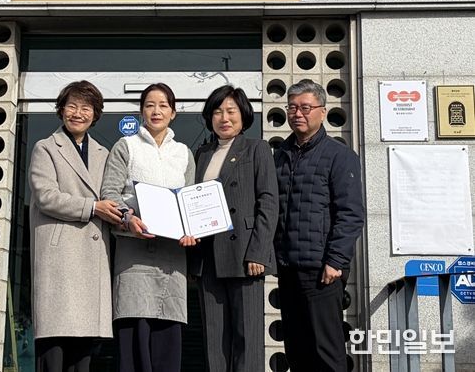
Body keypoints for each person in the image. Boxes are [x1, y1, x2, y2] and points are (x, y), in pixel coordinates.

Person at [100, 83, 196, 372]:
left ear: (173, 113)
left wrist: (190, 230)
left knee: (167, 345)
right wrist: (128, 217)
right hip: (133, 256)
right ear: (141, 111)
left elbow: (189, 202)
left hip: (172, 259)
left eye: (163, 105)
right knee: (134, 343)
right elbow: (110, 193)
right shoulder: (125, 146)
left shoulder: (183, 153)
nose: (156, 111)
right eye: (150, 105)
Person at [29, 81, 123, 372]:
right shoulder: (45, 148)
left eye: (86, 108)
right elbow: (46, 196)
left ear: (95, 114)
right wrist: (92, 207)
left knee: (83, 354)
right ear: (61, 110)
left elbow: (113, 196)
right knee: (54, 350)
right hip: (60, 258)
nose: (78, 113)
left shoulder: (103, 153)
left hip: (91, 259)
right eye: (72, 106)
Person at [273, 79, 365, 372]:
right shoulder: (280, 155)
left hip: (322, 271)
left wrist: (335, 260)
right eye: (292, 107)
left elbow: (351, 213)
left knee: (326, 351)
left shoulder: (339, 155)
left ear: (322, 111)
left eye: (305, 107)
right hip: (287, 268)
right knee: (297, 350)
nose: (297, 113)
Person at [189, 85, 278, 372]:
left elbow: (268, 202)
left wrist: (258, 253)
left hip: (244, 255)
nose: (224, 118)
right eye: (217, 112)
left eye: (231, 111)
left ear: (243, 115)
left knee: (246, 339)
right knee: (214, 340)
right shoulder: (202, 153)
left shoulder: (256, 148)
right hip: (208, 257)